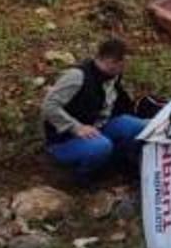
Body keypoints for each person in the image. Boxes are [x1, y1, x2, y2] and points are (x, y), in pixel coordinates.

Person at [42, 38, 147, 181]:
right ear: (111, 62)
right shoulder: (77, 76)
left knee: (138, 126)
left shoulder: (112, 76)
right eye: (123, 64)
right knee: (101, 146)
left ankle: (120, 163)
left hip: (98, 127)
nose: (126, 67)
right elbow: (49, 106)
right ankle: (81, 176)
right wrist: (75, 127)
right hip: (65, 140)